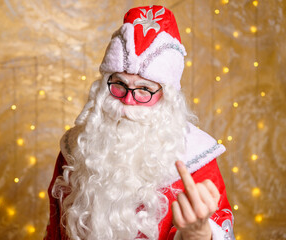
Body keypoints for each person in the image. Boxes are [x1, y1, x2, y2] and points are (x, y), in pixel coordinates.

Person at [44, 5, 235, 240]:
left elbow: (221, 226)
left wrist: (200, 234)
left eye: (144, 90)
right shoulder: (77, 148)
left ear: (167, 96)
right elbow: (55, 231)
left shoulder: (196, 158)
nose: (127, 101)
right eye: (119, 85)